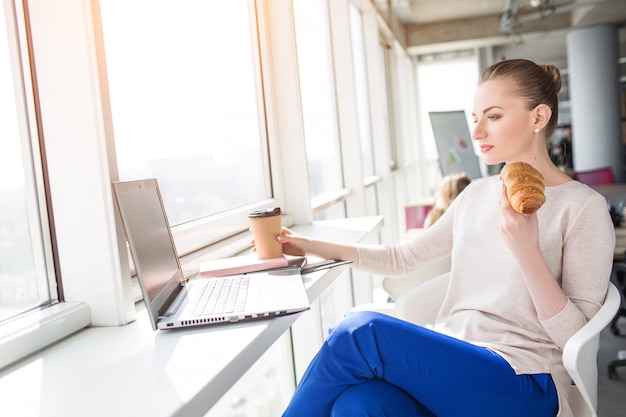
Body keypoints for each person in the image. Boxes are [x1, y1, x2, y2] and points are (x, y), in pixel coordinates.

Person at [272, 59, 615, 417]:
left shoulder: (583, 207)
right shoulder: (475, 194)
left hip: (526, 381)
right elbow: (401, 259)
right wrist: (310, 246)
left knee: (361, 332)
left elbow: (577, 339)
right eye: (475, 118)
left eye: (493, 117)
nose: (478, 132)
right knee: (359, 403)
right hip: (457, 365)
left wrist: (527, 251)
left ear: (538, 117)